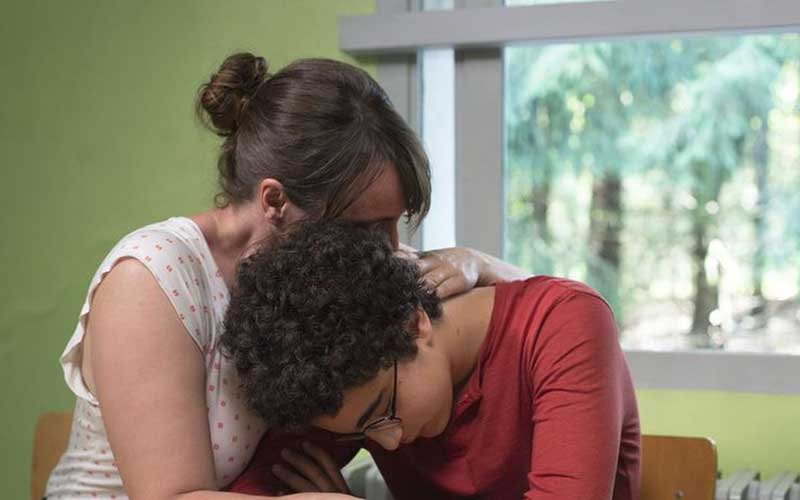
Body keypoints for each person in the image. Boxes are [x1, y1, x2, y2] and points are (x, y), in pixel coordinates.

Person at [44, 52, 527, 500]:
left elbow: (548, 311)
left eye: (395, 222)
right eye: (368, 226)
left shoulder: (342, 268)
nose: (389, 249)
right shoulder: (152, 278)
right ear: (275, 200)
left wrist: (479, 263)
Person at [222, 222, 641, 500]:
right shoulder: (347, 373)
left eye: (383, 412)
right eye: (362, 434)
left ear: (414, 324)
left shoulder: (564, 324)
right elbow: (252, 486)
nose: (387, 442)